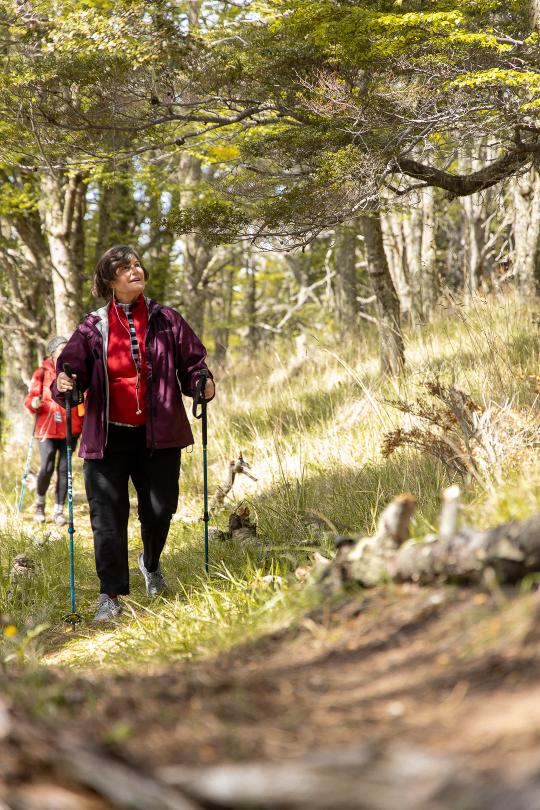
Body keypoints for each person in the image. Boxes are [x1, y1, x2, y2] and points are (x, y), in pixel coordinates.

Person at [52, 245, 215, 622]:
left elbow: (194, 364)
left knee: (160, 510)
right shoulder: (93, 328)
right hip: (107, 438)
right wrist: (65, 383)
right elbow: (69, 370)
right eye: (125, 269)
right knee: (107, 518)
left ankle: (151, 562)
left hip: (158, 435)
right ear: (109, 281)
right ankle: (110, 595)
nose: (135, 271)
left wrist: (201, 383)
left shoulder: (167, 320)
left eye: (138, 265)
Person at [24, 336, 84, 526]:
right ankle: (40, 503)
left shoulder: (75, 371)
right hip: (47, 429)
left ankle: (59, 510)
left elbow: (84, 397)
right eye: (60, 352)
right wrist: (34, 403)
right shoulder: (41, 373)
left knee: (65, 470)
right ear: (52, 354)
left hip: (71, 428)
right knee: (47, 467)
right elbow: (31, 399)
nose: (65, 355)